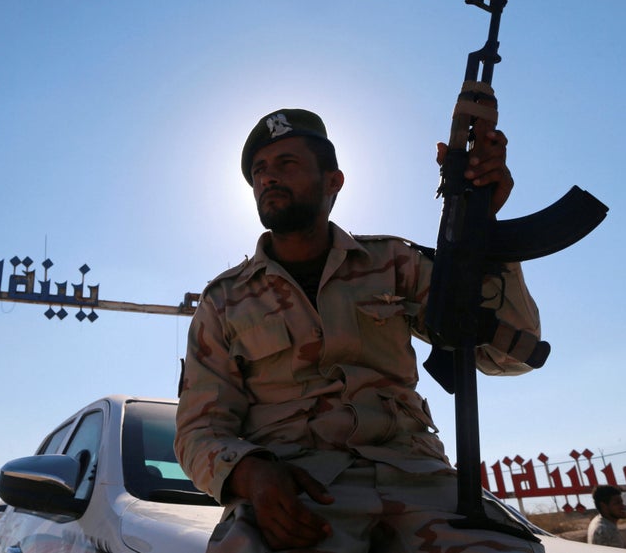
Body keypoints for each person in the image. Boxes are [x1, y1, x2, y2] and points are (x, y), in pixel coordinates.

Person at [175, 99, 547, 552]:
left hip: (420, 482)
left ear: (333, 181)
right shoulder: (224, 301)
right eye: (259, 170)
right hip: (299, 488)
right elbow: (199, 430)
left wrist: (483, 227)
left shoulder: (394, 264)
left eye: (286, 163)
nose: (268, 177)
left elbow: (507, 356)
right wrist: (253, 475)